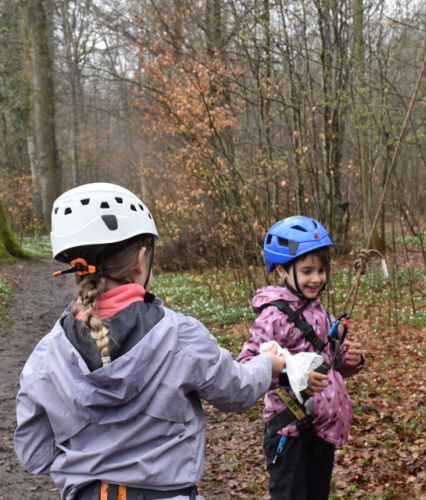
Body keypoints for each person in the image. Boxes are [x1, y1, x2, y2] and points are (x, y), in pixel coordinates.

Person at [14, 183, 285, 500]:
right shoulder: (180, 334)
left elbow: (34, 453)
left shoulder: (48, 353)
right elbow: (236, 392)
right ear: (141, 259)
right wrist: (267, 364)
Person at [237, 215, 365, 500]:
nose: (316, 279)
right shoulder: (274, 316)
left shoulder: (319, 311)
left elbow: (327, 361)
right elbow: (248, 367)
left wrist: (349, 360)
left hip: (321, 429)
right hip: (289, 429)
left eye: (321, 270)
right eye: (307, 271)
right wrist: (293, 378)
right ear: (283, 269)